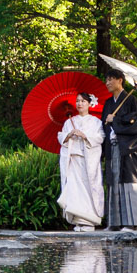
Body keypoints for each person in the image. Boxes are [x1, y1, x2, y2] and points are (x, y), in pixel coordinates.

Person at [102, 71, 137, 228]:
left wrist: (116, 119)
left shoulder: (131, 100)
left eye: (110, 79)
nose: (107, 82)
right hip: (113, 146)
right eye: (106, 79)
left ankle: (131, 222)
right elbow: (104, 125)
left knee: (129, 182)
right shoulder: (108, 103)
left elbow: (136, 124)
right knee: (113, 181)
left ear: (120, 80)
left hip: (128, 148)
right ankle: (114, 222)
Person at [56, 91, 105, 230]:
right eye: (77, 101)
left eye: (83, 101)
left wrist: (84, 135)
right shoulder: (70, 122)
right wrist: (69, 134)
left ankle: (89, 220)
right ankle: (78, 220)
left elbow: (100, 137)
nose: (79, 104)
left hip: (88, 160)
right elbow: (61, 138)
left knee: (88, 188)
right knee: (74, 189)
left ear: (89, 104)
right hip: (73, 160)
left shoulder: (96, 121)